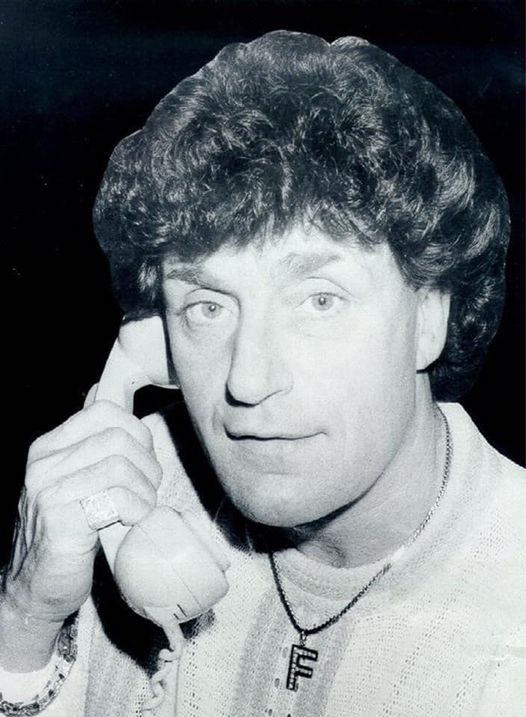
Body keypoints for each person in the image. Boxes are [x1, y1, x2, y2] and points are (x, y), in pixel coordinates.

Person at [0, 30, 524, 717]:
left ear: (430, 317)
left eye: (319, 300)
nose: (247, 381)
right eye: (208, 307)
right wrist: (26, 620)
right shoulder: (125, 495)